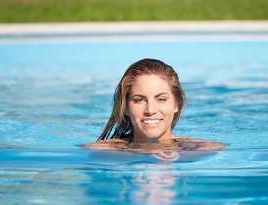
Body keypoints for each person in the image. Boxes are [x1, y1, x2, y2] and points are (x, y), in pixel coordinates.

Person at [83, 58, 226, 159]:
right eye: (139, 100)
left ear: (177, 104)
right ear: (126, 107)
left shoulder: (205, 148)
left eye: (161, 99)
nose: (150, 110)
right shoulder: (101, 151)